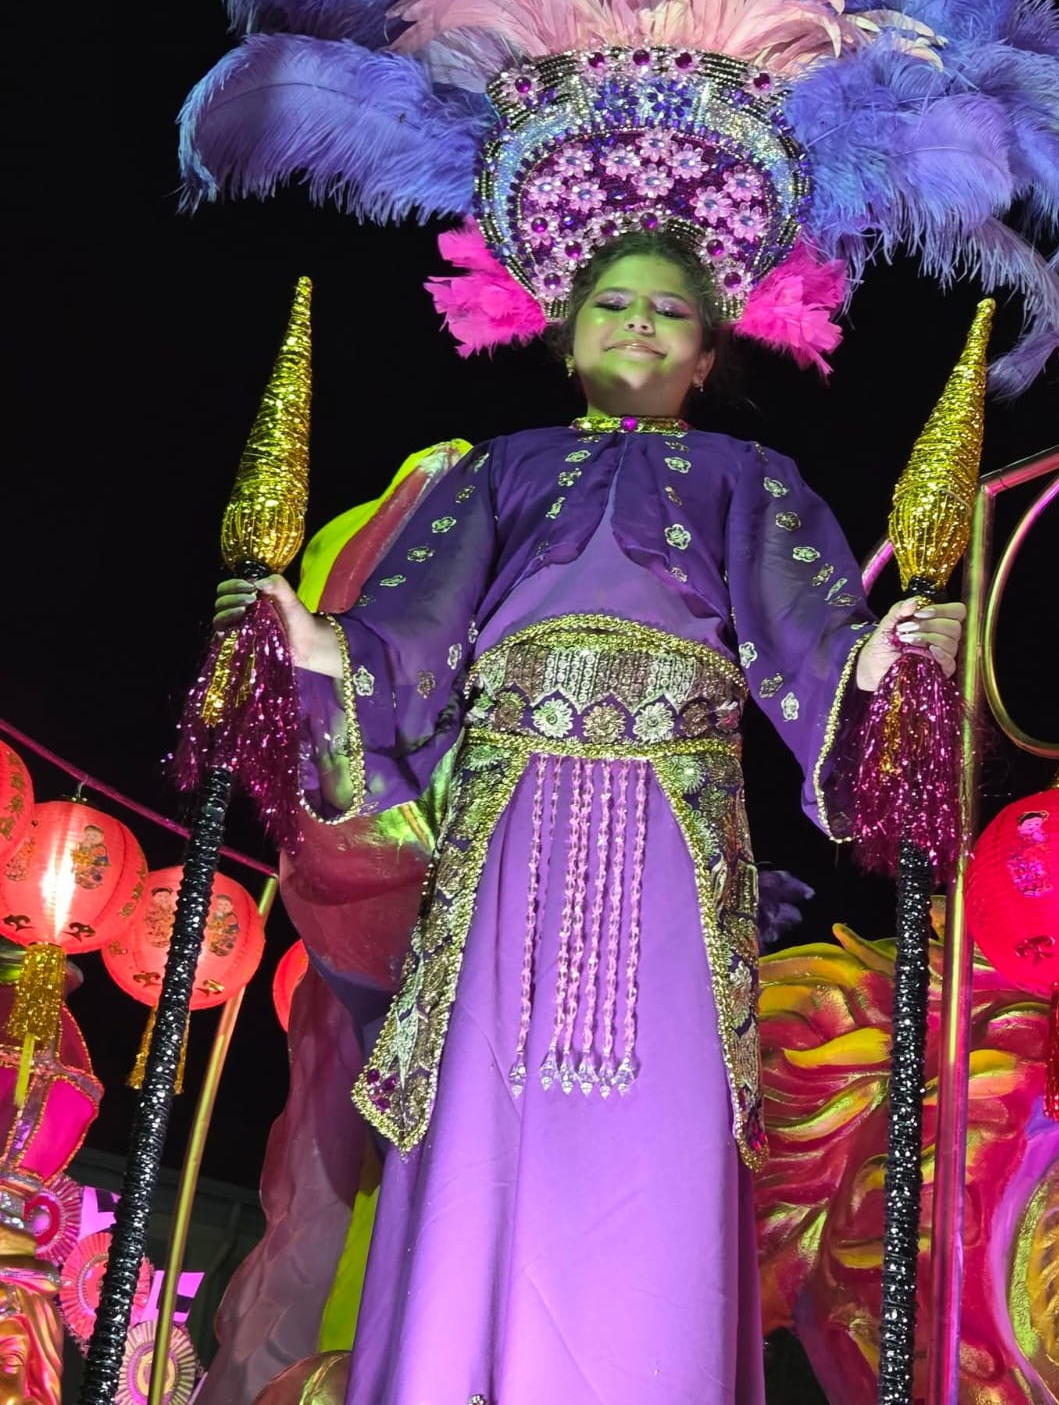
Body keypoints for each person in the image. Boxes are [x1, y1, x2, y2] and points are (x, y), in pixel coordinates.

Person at [215, 232, 963, 1404]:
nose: (640, 323)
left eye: (671, 309)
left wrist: (873, 661)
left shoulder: (751, 476)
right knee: (481, 1112)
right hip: (505, 834)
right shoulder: (498, 470)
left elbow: (808, 633)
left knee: (659, 1124)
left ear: (707, 356)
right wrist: (319, 646)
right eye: (614, 302)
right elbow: (412, 628)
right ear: (566, 337)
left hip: (675, 841)